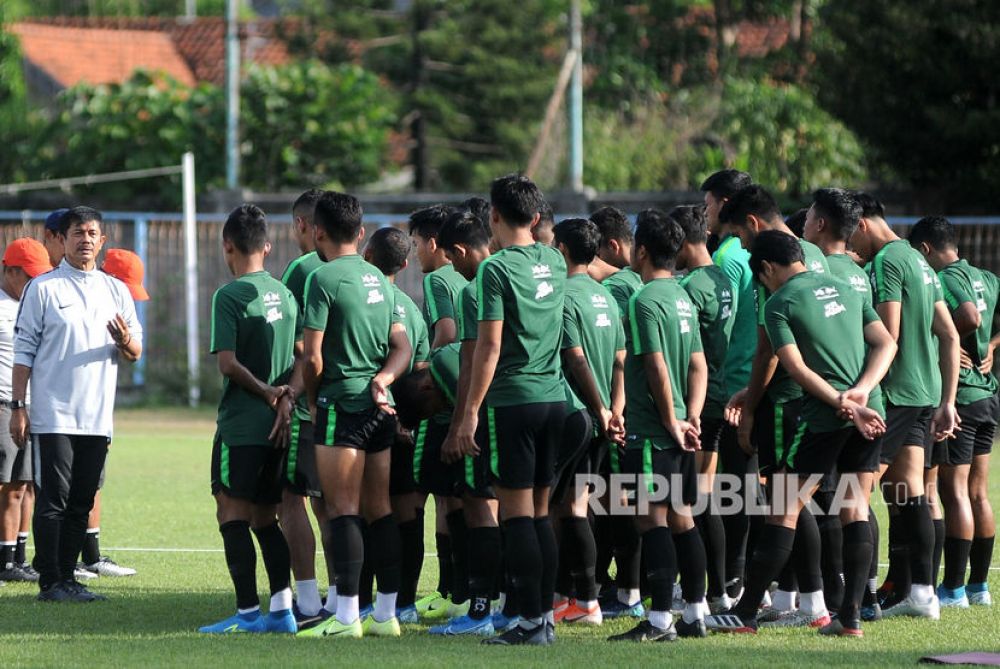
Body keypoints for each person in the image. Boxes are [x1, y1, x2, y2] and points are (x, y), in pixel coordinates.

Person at [706, 230, 896, 637]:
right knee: (855, 505)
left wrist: (843, 404)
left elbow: (796, 369)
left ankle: (744, 614)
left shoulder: (779, 304)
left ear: (768, 268)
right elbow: (886, 344)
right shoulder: (847, 286)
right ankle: (851, 617)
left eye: (761, 278)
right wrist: (860, 393)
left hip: (828, 418)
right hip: (872, 410)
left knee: (784, 508)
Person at [448, 174, 567, 646]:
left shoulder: (495, 271)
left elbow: (490, 345)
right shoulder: (554, 261)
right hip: (554, 401)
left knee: (516, 516)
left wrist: (471, 411)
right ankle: (546, 619)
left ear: (493, 216)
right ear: (536, 218)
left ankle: (528, 621)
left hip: (513, 402)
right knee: (540, 514)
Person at [297, 191, 412, 640]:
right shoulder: (382, 281)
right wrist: (383, 379)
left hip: (340, 406)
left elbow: (312, 356)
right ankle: (386, 616)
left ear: (318, 232)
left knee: (343, 509)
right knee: (380, 510)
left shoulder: (321, 279)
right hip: (380, 410)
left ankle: (346, 617)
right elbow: (401, 347)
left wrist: (312, 397)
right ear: (361, 232)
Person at [11, 206, 141, 602]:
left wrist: (123, 341)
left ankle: (68, 576)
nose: (85, 240)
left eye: (91, 233)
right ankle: (50, 581)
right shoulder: (45, 288)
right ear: (62, 240)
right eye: (77, 233)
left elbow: (135, 351)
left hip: (97, 417)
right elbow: (24, 351)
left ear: (102, 241)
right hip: (54, 414)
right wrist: (19, 405)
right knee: (54, 499)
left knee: (83, 500)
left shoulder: (115, 290)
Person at [720, 185, 830, 624]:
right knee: (803, 500)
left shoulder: (773, 268)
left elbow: (769, 347)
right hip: (813, 397)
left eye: (740, 238)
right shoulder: (811, 255)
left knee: (787, 501)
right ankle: (793, 599)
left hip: (786, 398)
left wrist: (750, 408)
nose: (742, 249)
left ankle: (816, 603)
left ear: (752, 224)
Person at [849, 193, 960, 620]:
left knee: (855, 493)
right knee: (911, 493)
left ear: (861, 224)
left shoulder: (887, 263)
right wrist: (947, 400)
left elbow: (888, 338)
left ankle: (860, 599)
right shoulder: (919, 261)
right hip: (926, 394)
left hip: (892, 395)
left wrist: (862, 389)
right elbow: (949, 336)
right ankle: (921, 594)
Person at [607, 211, 709, 642]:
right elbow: (698, 365)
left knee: (652, 521)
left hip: (652, 431)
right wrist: (693, 416)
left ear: (642, 250)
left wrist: (669, 420)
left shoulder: (644, 300)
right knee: (682, 517)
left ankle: (660, 620)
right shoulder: (683, 296)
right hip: (682, 426)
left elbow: (657, 366)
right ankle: (695, 614)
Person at [198, 204, 299, 634]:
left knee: (232, 515)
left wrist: (265, 392)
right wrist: (287, 397)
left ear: (228, 246)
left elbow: (227, 363)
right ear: (268, 246)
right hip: (280, 424)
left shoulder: (231, 295)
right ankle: (282, 612)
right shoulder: (287, 295)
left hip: (242, 424)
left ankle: (245, 615)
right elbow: (305, 357)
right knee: (266, 519)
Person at [908, 216, 997, 608]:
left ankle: (955, 589)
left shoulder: (942, 278)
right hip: (989, 397)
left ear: (925, 249)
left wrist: (944, 337)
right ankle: (979, 587)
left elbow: (969, 318)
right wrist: (991, 346)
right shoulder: (985, 276)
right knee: (978, 492)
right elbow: (987, 319)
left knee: (952, 492)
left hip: (961, 396)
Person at [429, 209, 506, 637]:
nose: (453, 269)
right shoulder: (534, 269)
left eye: (452, 259)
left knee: (480, 508)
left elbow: (474, 358)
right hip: (542, 403)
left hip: (493, 412)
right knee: (523, 511)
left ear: (458, 251)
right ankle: (518, 606)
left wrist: (464, 421)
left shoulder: (478, 287)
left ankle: (481, 611)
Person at [550, 218, 626, 627]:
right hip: (600, 418)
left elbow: (576, 357)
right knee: (574, 506)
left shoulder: (562, 295)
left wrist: (598, 409)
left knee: (551, 507)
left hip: (574, 412)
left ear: (561, 249)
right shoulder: (605, 297)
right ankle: (576, 600)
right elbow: (619, 362)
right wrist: (614, 410)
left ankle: (574, 598)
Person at [363, 226, 430, 624]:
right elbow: (421, 376)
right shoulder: (411, 307)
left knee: (367, 511)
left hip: (365, 418)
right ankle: (404, 603)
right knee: (407, 515)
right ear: (405, 264)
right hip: (404, 425)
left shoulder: (359, 298)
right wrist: (409, 423)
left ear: (366, 253)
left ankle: (363, 599)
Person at [671, 204, 735, 612]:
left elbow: (686, 352)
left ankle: (711, 591)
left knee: (697, 499)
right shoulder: (722, 276)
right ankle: (718, 588)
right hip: (719, 394)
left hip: (703, 400)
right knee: (705, 496)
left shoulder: (692, 286)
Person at [276, 188, 331, 629]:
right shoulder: (360, 267)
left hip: (311, 404)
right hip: (350, 403)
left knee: (291, 500)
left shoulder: (302, 268)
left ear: (302, 225)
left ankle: (309, 601)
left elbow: (298, 342)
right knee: (335, 505)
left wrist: (290, 394)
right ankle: (344, 597)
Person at [408, 203, 466, 620]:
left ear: (433, 243)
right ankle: (459, 589)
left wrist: (424, 373)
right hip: (471, 394)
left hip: (445, 401)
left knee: (433, 497)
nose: (414, 254)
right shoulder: (471, 275)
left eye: (416, 243)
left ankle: (450, 590)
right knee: (459, 498)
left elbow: (446, 335)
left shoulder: (437, 280)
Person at [701, 170, 756, 598]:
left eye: (707, 204)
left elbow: (726, 325)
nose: (705, 213)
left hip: (734, 383)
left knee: (732, 488)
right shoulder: (752, 251)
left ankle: (733, 580)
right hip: (757, 378)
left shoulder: (727, 256)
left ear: (724, 203)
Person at [588, 205, 644, 617]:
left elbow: (619, 357)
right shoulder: (629, 283)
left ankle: (624, 591)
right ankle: (620, 589)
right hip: (628, 408)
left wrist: (613, 407)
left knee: (617, 502)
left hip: (620, 411)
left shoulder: (620, 288)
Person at [0, 240, 51, 583]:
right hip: (4, 403)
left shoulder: (32, 304)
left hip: (34, 405)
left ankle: (19, 556)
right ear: (10, 270)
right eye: (29, 276)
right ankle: (4, 561)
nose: (34, 283)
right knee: (8, 487)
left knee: (28, 485)